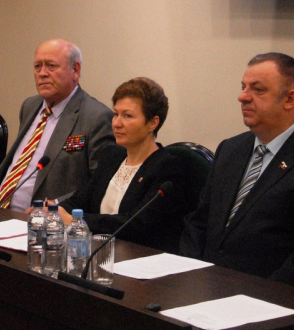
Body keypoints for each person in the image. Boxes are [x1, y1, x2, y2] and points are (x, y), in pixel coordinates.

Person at [179, 52, 294, 298]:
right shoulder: (230, 150)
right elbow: (199, 223)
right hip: (206, 292)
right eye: (243, 87)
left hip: (269, 302)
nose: (243, 97)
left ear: (290, 99)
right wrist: (190, 276)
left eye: (258, 90)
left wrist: (255, 299)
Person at [54, 78, 194, 253]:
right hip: (97, 251)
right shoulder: (111, 156)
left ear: (152, 123)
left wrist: (77, 221)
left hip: (140, 257)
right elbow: (80, 200)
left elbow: (136, 224)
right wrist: (56, 210)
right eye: (115, 114)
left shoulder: (167, 167)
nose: (116, 123)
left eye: (127, 116)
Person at [0, 39, 114, 211]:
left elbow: (99, 183)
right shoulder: (30, 106)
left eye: (51, 66)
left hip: (48, 220)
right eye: (37, 66)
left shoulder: (96, 117)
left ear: (75, 70)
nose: (42, 73)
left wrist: (57, 206)